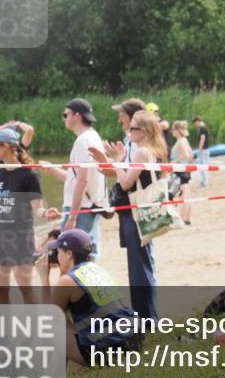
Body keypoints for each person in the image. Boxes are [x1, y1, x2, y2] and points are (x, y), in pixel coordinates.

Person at [90, 99, 158, 321]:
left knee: (140, 268)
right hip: (134, 210)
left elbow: (127, 182)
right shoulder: (140, 146)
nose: (124, 125)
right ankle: (145, 316)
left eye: (130, 124)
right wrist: (110, 162)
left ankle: (148, 318)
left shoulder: (141, 150)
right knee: (139, 266)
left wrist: (116, 162)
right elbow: (123, 176)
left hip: (136, 210)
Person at [37, 228, 141, 365]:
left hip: (114, 347)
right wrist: (63, 270)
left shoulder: (67, 281)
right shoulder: (96, 269)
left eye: (58, 251)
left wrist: (44, 278)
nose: (56, 255)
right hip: (135, 336)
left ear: (69, 254)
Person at [0, 128, 61, 304]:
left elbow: (37, 209)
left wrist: (47, 213)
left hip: (20, 237)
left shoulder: (29, 175)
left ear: (6, 146)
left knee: (25, 290)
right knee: (1, 292)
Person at [40, 99, 106, 253]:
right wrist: (52, 169)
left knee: (74, 255)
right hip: (89, 206)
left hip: (81, 208)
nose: (64, 118)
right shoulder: (92, 136)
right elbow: (76, 179)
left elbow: (82, 181)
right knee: (88, 252)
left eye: (66, 114)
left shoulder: (83, 141)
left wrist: (72, 217)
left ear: (77, 116)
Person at [170, 120, 194, 224]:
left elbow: (185, 155)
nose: (172, 131)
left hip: (180, 170)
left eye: (173, 129)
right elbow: (191, 155)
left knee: (183, 195)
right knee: (186, 195)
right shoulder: (184, 140)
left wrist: (172, 163)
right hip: (185, 170)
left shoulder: (180, 141)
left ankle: (183, 218)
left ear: (177, 130)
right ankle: (186, 218)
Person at [193, 116, 211, 188]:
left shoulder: (202, 128)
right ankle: (204, 181)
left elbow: (202, 139)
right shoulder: (203, 127)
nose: (195, 125)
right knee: (204, 166)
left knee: (203, 166)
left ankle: (204, 182)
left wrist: (199, 150)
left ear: (197, 121)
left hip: (203, 150)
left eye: (195, 123)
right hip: (205, 150)